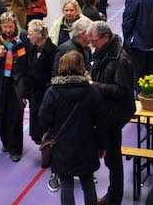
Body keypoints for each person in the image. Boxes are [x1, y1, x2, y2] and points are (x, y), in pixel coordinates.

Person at [39, 51, 107, 205]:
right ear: (82, 67)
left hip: (62, 145)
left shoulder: (52, 91)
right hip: (88, 144)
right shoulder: (93, 91)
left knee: (66, 185)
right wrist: (102, 145)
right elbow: (101, 121)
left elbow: (44, 118)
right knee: (88, 184)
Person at [87, 21, 135, 205]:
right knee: (109, 158)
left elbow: (123, 90)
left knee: (114, 161)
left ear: (106, 38)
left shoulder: (120, 59)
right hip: (104, 112)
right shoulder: (103, 53)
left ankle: (114, 199)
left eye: (95, 41)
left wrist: (95, 86)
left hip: (114, 115)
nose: (92, 45)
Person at [0, 12, 29, 162]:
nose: (8, 30)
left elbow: (28, 61)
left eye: (11, 26)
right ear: (0, 26)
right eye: (5, 26)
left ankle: (16, 149)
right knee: (1, 115)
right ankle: (6, 143)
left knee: (16, 117)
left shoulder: (23, 37)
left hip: (17, 83)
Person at [24, 20, 57, 147]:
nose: (28, 36)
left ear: (39, 35)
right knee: (36, 123)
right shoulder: (30, 49)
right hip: (34, 93)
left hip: (47, 93)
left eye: (30, 34)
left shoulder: (54, 51)